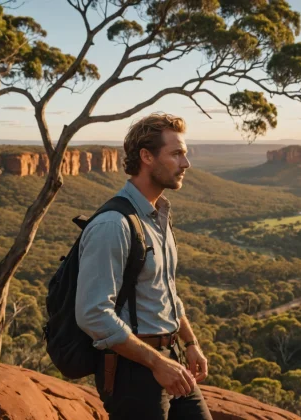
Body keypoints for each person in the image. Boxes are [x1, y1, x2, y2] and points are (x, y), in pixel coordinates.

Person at [75, 112, 212, 419]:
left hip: (170, 356)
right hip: (131, 371)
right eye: (176, 154)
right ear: (146, 156)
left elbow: (166, 290)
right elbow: (93, 314)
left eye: (185, 154)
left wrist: (190, 343)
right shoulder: (114, 224)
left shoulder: (157, 216)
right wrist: (156, 363)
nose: (186, 164)